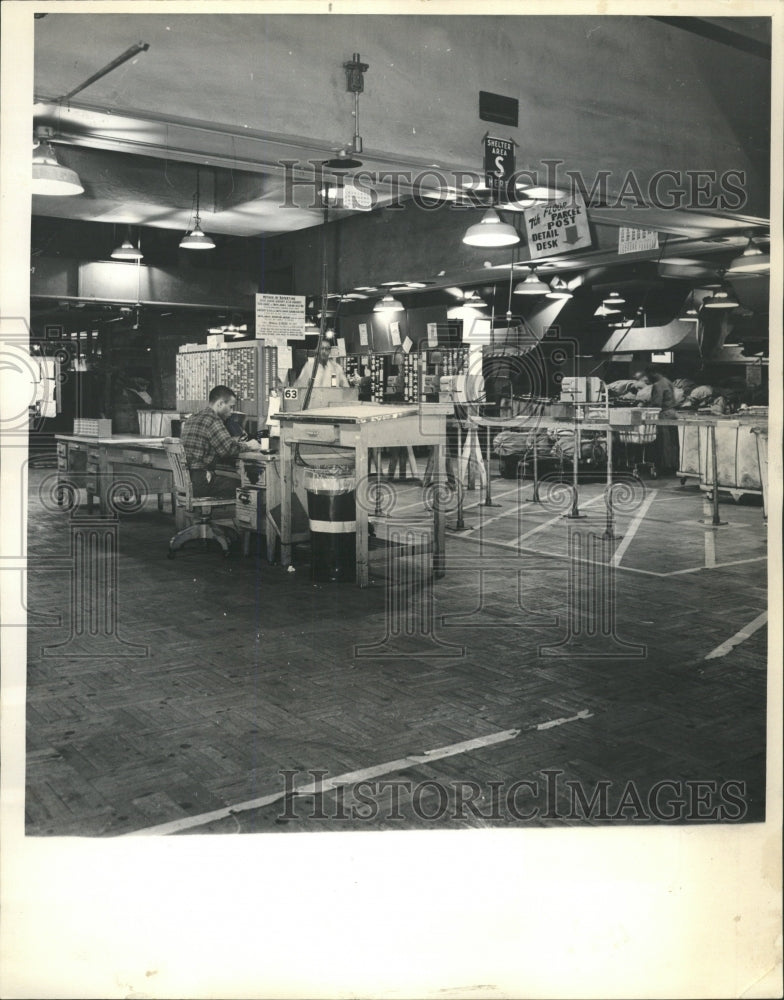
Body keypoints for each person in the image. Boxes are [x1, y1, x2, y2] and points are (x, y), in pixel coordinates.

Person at [180, 385, 260, 498]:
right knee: (247, 486)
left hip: (186, 481)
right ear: (220, 404)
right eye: (231, 407)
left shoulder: (192, 418)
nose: (232, 412)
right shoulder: (213, 420)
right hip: (200, 482)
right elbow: (228, 449)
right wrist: (249, 445)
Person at [633, 367, 678, 471]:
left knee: (664, 442)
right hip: (672, 413)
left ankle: (665, 466)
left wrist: (643, 405)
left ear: (654, 373)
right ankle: (673, 464)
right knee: (672, 441)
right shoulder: (667, 381)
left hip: (663, 414)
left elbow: (656, 404)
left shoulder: (658, 385)